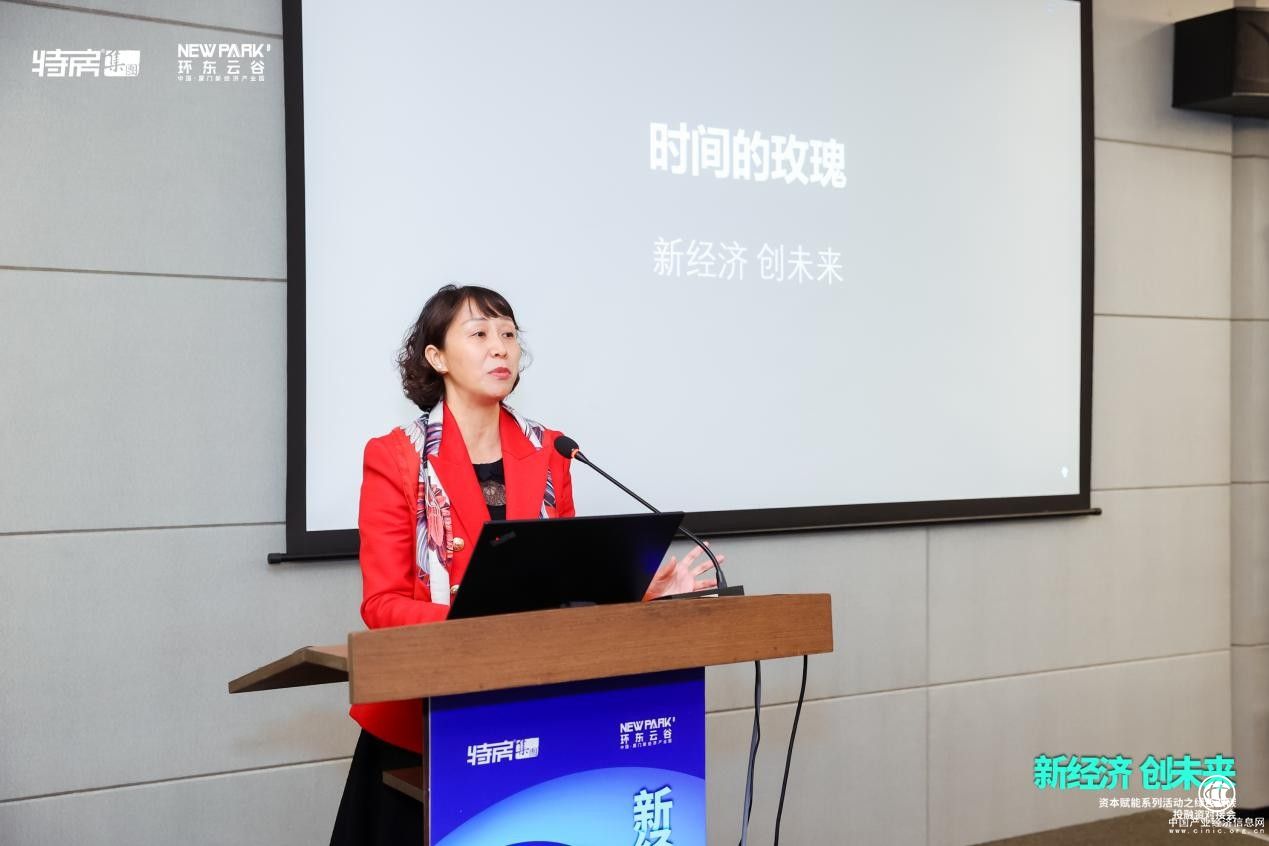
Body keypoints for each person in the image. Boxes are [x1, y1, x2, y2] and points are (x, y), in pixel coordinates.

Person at [330, 284, 722, 845]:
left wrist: (639, 595)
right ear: (436, 357)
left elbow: (562, 589)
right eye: (479, 334)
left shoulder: (550, 451)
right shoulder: (396, 457)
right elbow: (381, 604)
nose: (501, 348)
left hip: (532, 713)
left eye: (509, 334)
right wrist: (476, 620)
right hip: (426, 722)